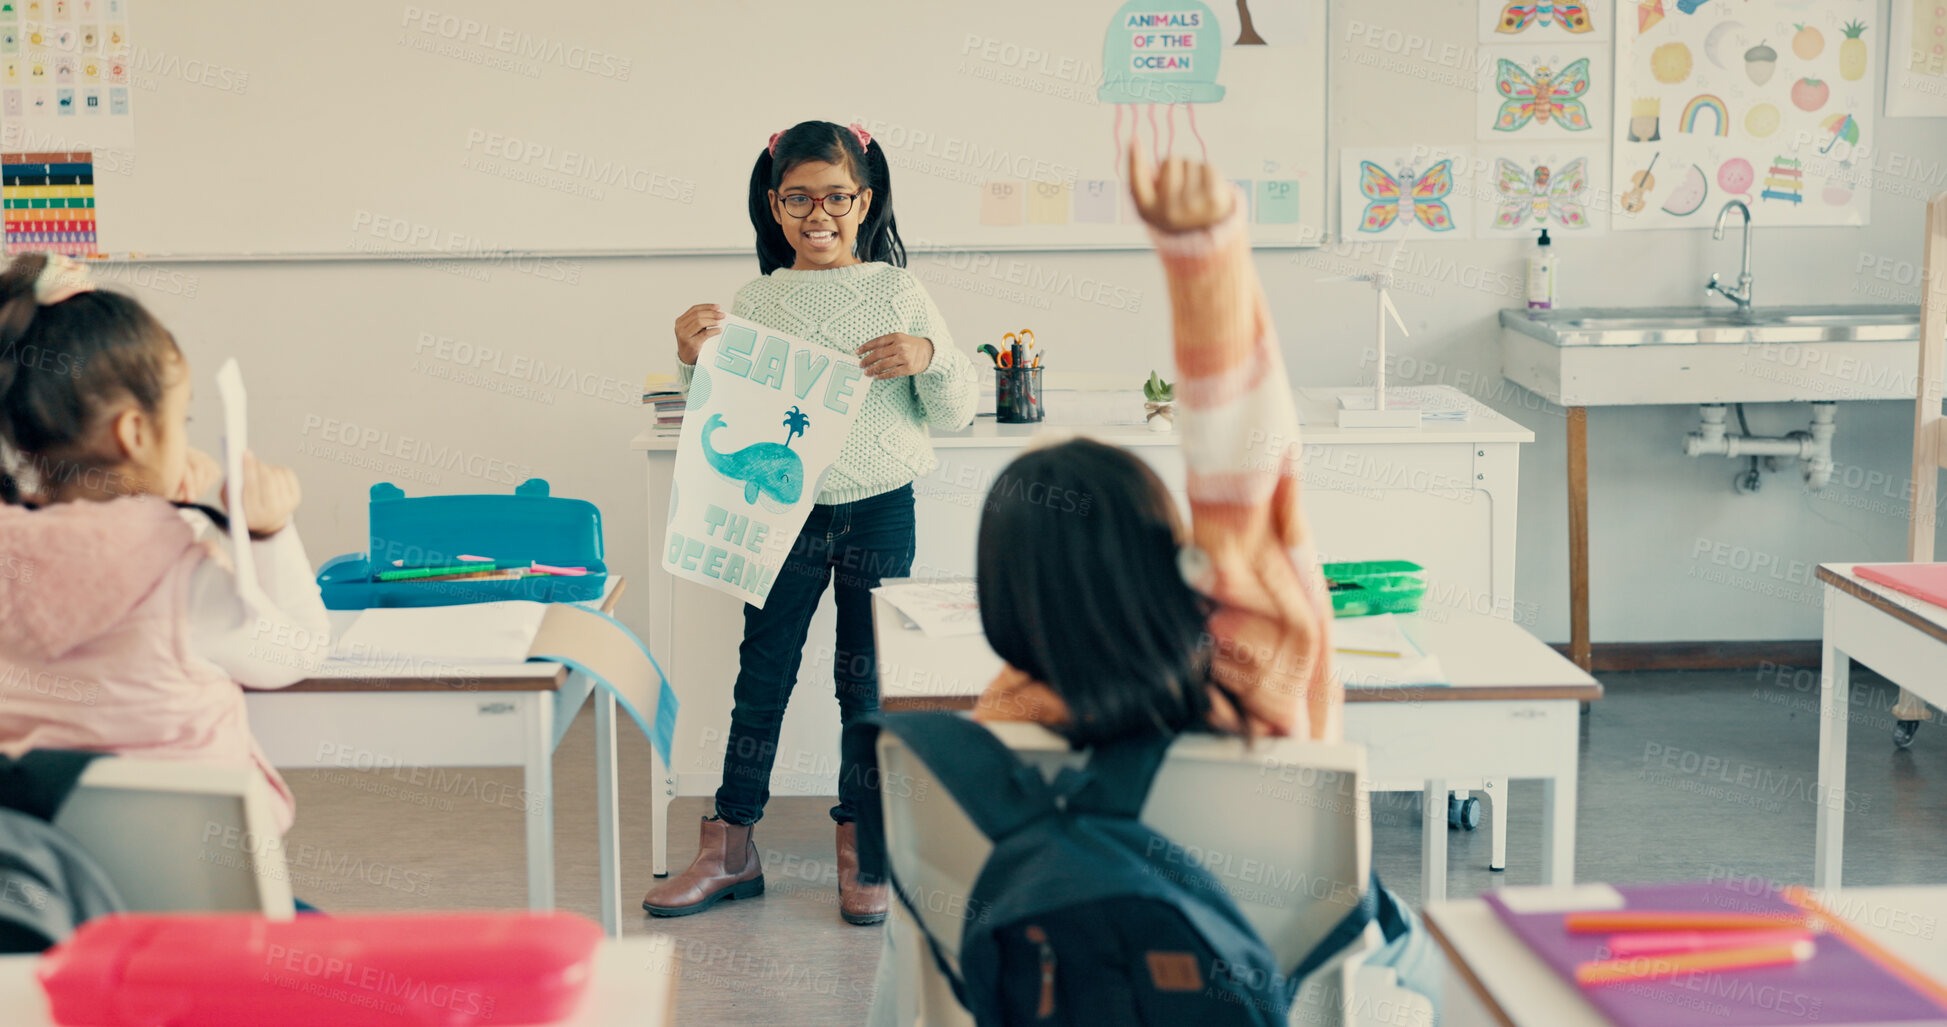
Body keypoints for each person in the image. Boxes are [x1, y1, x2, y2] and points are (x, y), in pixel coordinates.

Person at [965, 144, 1441, 1013]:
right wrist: (1207, 258)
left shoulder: (992, 738)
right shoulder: (1258, 672)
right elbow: (1248, 473)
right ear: (1167, 549)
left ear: (1003, 594)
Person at [645, 121, 977, 924]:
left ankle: (863, 847)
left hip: (878, 508)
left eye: (835, 196)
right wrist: (694, 360)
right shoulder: (757, 299)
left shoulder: (897, 291)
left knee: (865, 682)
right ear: (773, 204)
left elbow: (957, 411)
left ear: (863, 201)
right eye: (798, 197)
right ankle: (729, 846)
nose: (817, 213)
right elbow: (720, 417)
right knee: (761, 676)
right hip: (779, 517)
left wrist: (929, 354)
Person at [0, 254, 330, 836]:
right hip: (195, 908)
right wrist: (267, 530)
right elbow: (298, 653)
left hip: (46, 907)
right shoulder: (182, 576)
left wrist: (151, 510)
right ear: (133, 434)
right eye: (182, 420)